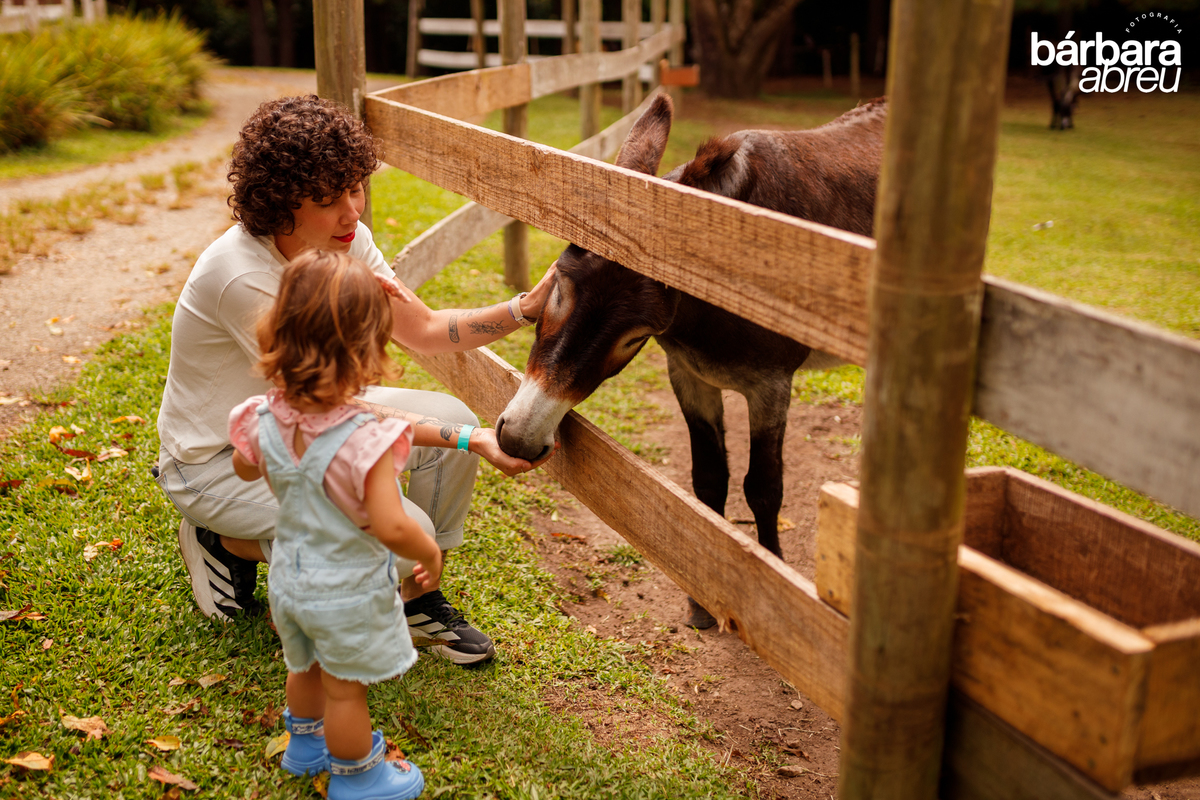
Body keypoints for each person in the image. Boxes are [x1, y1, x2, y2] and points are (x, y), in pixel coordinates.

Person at [154, 94, 555, 666]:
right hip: (220, 460)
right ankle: (225, 538)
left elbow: (421, 329)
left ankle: (416, 593)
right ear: (280, 204)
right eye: (327, 200)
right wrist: (469, 441)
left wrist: (525, 308)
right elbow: (334, 416)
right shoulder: (241, 278)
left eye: (355, 188)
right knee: (397, 526)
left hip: (303, 424)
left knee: (456, 422)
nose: (352, 212)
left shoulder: (341, 238)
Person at [229, 249, 438, 798]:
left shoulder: (263, 416)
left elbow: (245, 467)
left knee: (306, 669)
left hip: (290, 582)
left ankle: (304, 747)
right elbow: (392, 528)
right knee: (346, 691)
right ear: (368, 349)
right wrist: (429, 552)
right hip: (344, 590)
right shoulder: (364, 439)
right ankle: (359, 777)